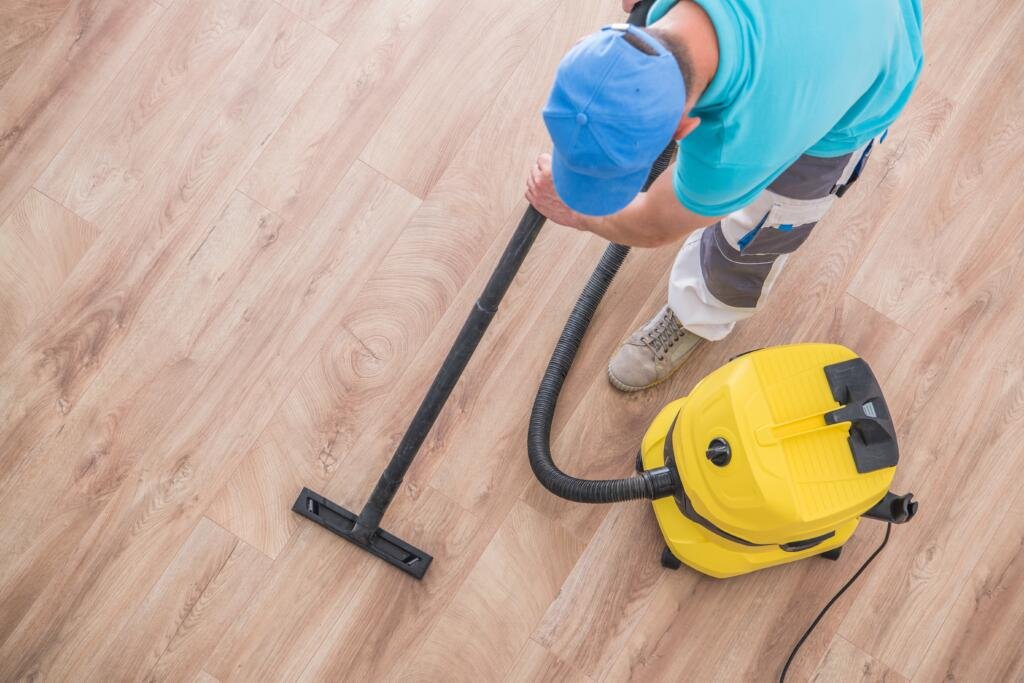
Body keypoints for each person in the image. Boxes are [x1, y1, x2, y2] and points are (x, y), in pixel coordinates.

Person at [526, 0, 923, 392]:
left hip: (868, 71)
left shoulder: (735, 145)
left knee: (752, 238)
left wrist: (576, 212)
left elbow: (654, 225)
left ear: (685, 128)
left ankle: (699, 313)